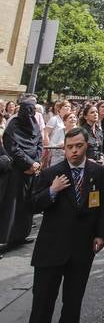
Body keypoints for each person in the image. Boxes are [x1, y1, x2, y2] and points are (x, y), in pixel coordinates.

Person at [12, 127, 104, 323]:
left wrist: (101, 233)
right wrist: (52, 192)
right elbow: (31, 205)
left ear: (86, 146)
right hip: (51, 252)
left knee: (72, 304)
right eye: (70, 147)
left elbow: (102, 205)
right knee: (42, 308)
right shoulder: (51, 174)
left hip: (82, 251)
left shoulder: (97, 172)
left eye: (79, 146)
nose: (74, 151)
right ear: (64, 149)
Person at [0, 100, 42, 248]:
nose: (30, 114)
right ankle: (7, 238)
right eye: (27, 110)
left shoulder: (35, 125)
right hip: (16, 172)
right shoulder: (13, 125)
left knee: (26, 206)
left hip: (31, 173)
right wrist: (29, 163)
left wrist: (36, 163)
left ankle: (21, 235)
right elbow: (12, 148)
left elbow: (39, 144)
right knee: (12, 206)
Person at [44, 100, 71, 168]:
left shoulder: (71, 119)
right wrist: (48, 150)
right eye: (65, 106)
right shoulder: (54, 119)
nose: (68, 108)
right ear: (59, 109)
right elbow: (46, 134)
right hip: (54, 150)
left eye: (69, 106)